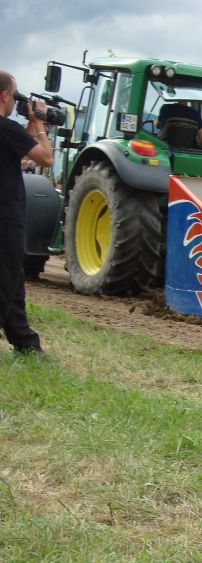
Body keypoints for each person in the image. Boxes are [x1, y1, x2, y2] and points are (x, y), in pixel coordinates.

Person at [0, 70, 53, 354]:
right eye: (15, 95)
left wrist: (31, 127)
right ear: (6, 95)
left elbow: (20, 148)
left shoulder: (9, 132)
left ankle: (25, 343)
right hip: (6, 217)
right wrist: (42, 127)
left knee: (13, 279)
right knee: (5, 281)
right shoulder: (5, 127)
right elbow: (45, 157)